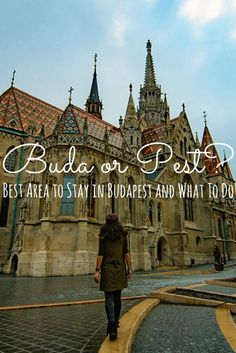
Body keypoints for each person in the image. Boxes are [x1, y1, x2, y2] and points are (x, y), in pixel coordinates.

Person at [93, 213, 132, 341]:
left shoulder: (103, 237)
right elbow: (126, 253)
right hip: (120, 268)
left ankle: (111, 324)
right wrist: (130, 268)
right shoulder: (123, 236)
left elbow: (101, 255)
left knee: (109, 299)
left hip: (107, 269)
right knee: (117, 298)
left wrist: (97, 271)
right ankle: (115, 324)